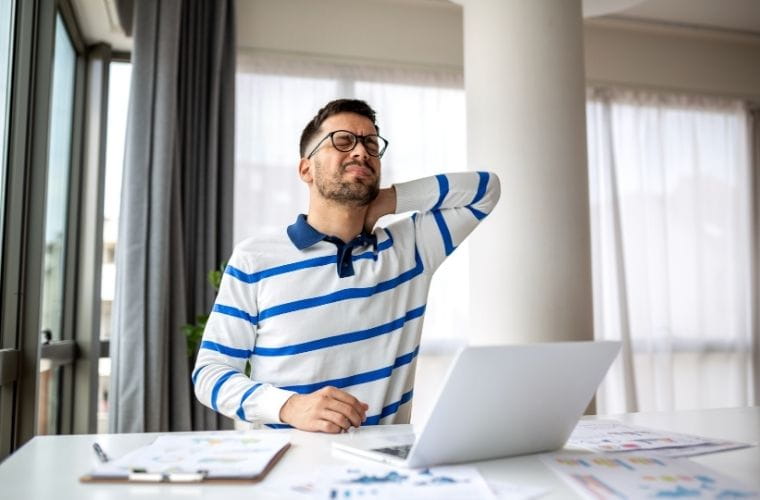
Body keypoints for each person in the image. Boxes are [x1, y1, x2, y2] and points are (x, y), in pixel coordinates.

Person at [193, 99, 500, 433]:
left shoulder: (411, 247)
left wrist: (387, 200)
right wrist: (289, 406)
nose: (361, 152)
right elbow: (211, 374)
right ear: (306, 169)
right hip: (286, 463)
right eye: (343, 141)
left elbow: (485, 189)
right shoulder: (255, 258)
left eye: (371, 143)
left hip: (384, 464)